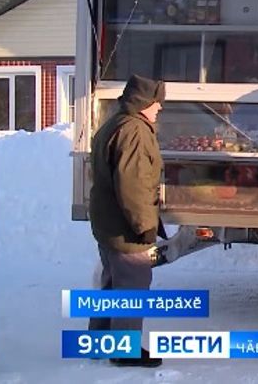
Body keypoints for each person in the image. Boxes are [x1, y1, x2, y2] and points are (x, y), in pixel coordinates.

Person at [88, 74, 166, 368]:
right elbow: (132, 185)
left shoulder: (116, 122)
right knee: (133, 285)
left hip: (108, 221)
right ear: (144, 102)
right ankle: (125, 350)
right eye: (157, 102)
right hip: (125, 225)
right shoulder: (134, 131)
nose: (160, 108)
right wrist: (144, 226)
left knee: (112, 282)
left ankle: (100, 341)